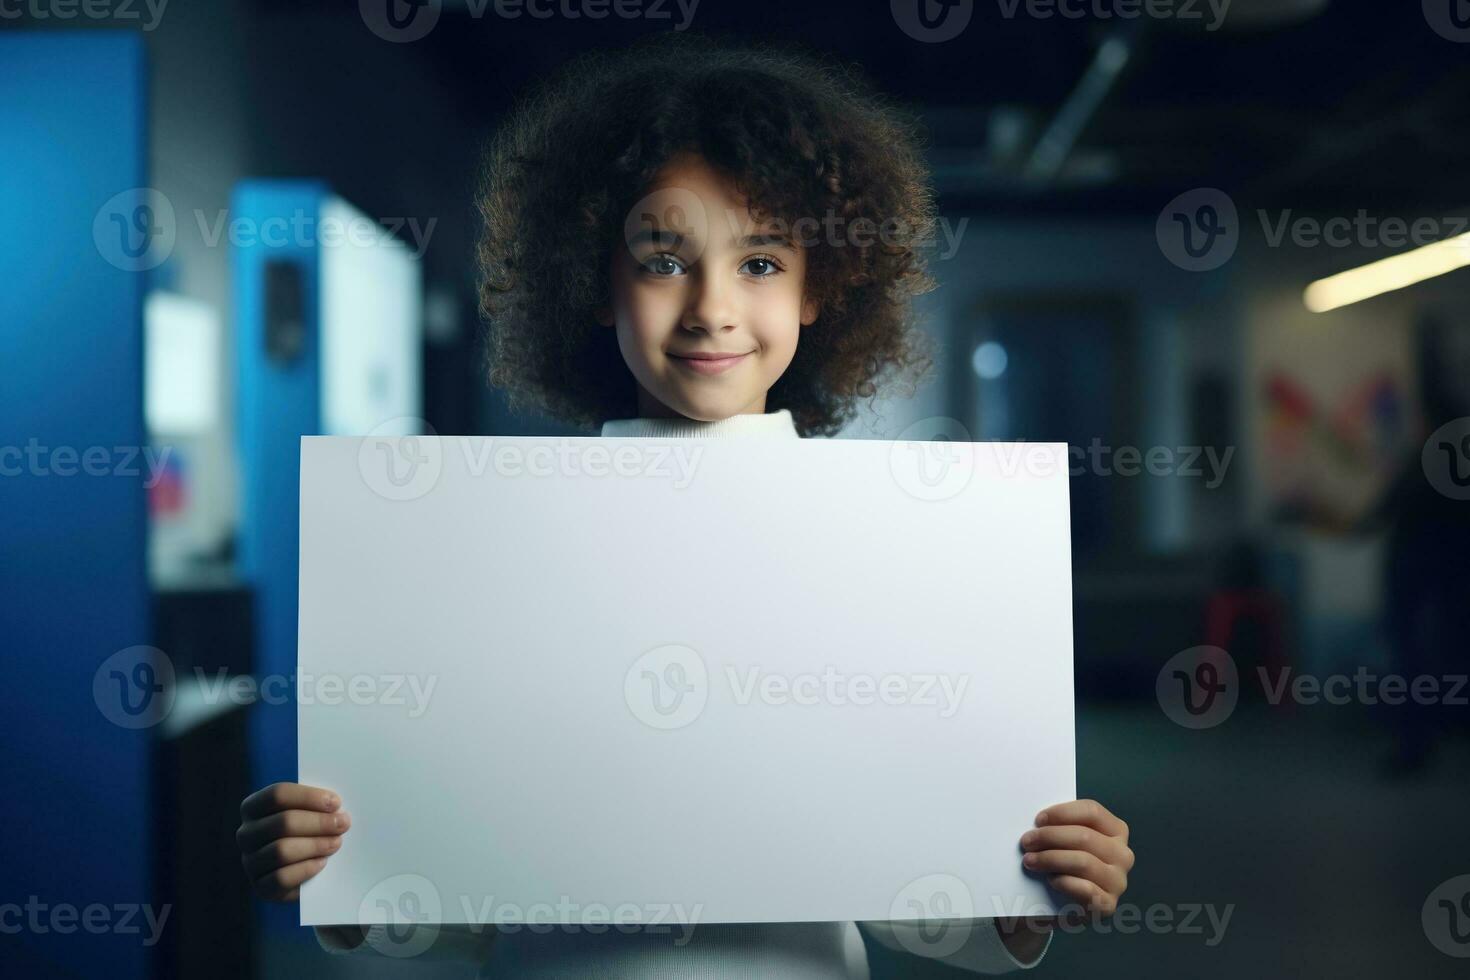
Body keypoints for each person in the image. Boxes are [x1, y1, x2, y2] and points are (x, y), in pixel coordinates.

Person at [236, 32, 1135, 976]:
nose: (711, 307)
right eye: (665, 260)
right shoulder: (492, 550)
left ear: (817, 288)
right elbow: (464, 870)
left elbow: (910, 871)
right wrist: (344, 877)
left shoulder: (891, 551)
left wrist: (1024, 893)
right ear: (595, 282)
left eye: (759, 262)